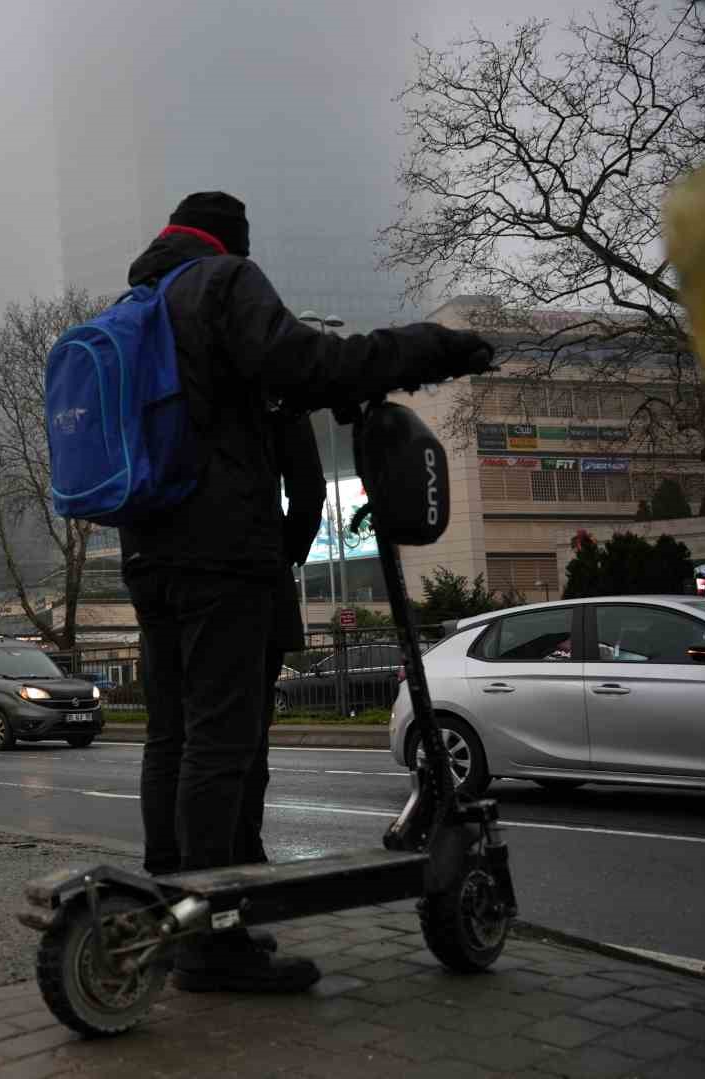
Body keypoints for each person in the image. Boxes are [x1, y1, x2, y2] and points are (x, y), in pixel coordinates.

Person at [123, 192, 492, 992]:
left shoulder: (140, 306)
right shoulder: (223, 282)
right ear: (231, 242)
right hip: (223, 554)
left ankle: (171, 907)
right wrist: (429, 347)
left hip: (150, 553)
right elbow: (311, 366)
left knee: (171, 736)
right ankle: (210, 942)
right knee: (222, 743)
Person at [235, 413, 324, 866]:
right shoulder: (270, 384)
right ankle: (238, 861)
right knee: (244, 736)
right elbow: (308, 490)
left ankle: (172, 867)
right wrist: (282, 551)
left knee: (172, 736)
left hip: (163, 573)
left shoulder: (154, 372)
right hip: (251, 577)